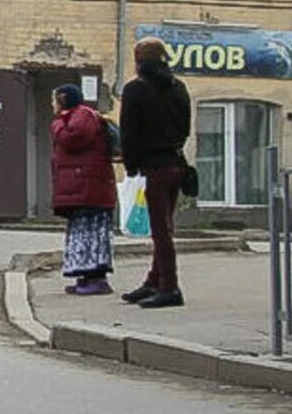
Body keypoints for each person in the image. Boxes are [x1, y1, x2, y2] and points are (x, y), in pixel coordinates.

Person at [119, 37, 193, 309]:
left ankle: (170, 287)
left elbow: (129, 132)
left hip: (153, 167)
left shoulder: (136, 89)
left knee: (160, 231)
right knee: (164, 224)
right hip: (176, 163)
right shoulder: (179, 88)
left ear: (139, 60)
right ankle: (153, 280)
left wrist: (131, 165)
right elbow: (186, 127)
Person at [50, 84, 116, 295]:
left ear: (63, 99)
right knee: (83, 233)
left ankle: (97, 279)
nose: (52, 105)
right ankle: (85, 278)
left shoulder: (81, 116)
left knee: (92, 234)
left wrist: (59, 122)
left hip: (89, 188)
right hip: (85, 187)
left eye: (54, 100)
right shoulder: (78, 116)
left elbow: (73, 138)